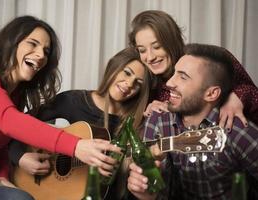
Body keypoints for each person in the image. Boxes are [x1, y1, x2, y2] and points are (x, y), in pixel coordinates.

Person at [0, 16, 121, 200]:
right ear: (11, 42)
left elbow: (0, 144)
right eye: (32, 44)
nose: (41, 55)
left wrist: (2, 175)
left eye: (46, 51)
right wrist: (75, 146)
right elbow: (10, 121)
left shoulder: (15, 93)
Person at [8, 47, 151, 200]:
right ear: (113, 67)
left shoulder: (134, 124)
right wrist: (20, 157)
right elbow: (17, 126)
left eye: (138, 83)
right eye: (127, 72)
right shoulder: (73, 101)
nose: (129, 84)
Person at [127, 43, 258, 200]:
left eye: (183, 77)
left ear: (211, 94)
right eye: (174, 73)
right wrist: (147, 195)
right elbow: (156, 191)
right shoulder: (158, 119)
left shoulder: (236, 131)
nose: (169, 83)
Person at [128, 10, 258, 129]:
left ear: (172, 41)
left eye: (157, 47)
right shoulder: (148, 84)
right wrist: (150, 111)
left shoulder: (211, 59)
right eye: (142, 50)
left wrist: (237, 97)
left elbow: (255, 96)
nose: (150, 57)